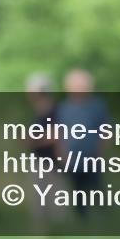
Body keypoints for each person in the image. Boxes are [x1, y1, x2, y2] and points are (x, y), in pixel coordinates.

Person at [56, 68, 111, 219]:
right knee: (78, 194)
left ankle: (104, 221)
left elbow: (106, 130)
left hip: (92, 157)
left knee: (97, 191)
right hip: (73, 159)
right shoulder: (64, 107)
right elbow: (61, 133)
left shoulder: (97, 105)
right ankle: (82, 222)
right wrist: (62, 154)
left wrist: (100, 151)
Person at [24, 73, 67, 229]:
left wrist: (34, 140)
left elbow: (57, 134)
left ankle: (59, 231)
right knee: (39, 199)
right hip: (40, 160)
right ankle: (42, 230)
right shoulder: (39, 110)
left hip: (53, 161)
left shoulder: (54, 109)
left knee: (56, 198)